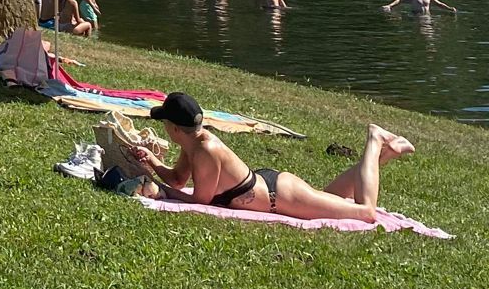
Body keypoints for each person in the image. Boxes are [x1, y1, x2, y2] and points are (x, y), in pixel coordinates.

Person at [128, 91, 412, 224]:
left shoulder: (206, 151)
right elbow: (178, 181)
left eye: (165, 122)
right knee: (332, 199)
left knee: (366, 213)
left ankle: (374, 142)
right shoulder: (194, 143)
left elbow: (199, 201)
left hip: (281, 197)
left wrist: (158, 190)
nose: (163, 127)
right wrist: (151, 162)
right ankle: (380, 158)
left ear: (175, 128)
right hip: (275, 188)